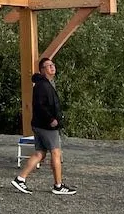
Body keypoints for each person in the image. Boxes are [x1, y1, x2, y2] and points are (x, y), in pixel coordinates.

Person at [12, 57, 77, 196]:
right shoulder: (42, 85)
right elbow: (40, 105)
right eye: (49, 65)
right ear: (42, 70)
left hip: (39, 124)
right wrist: (51, 119)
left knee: (40, 153)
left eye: (53, 64)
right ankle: (58, 185)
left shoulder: (46, 83)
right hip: (46, 126)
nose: (52, 67)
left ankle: (20, 178)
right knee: (56, 152)